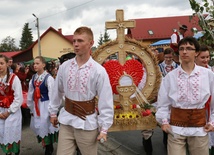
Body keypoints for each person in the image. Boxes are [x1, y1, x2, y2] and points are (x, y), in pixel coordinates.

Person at [48, 26, 114, 155]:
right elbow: (57, 91)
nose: (76, 44)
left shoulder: (98, 70)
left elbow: (105, 99)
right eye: (74, 41)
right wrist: (53, 113)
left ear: (91, 43)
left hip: (87, 123)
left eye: (80, 41)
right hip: (66, 121)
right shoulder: (65, 67)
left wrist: (104, 128)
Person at [156, 36, 214, 155]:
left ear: (196, 52)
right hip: (176, 128)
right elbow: (162, 103)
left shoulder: (208, 75)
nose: (184, 51)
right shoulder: (170, 77)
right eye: (181, 49)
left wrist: (212, 122)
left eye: (188, 48)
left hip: (199, 128)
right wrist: (164, 121)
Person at [27, 56, 59, 155]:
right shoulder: (34, 78)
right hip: (37, 105)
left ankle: (49, 147)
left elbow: (52, 95)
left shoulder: (48, 78)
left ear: (44, 65)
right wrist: (31, 107)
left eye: (37, 63)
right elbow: (30, 94)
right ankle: (46, 145)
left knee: (47, 125)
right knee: (40, 126)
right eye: (34, 64)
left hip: (46, 104)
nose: (35, 65)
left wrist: (52, 111)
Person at [0, 55, 23, 155]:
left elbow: (19, 98)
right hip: (0, 111)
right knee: (3, 135)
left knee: (12, 136)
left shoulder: (14, 78)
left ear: (7, 64)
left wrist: (8, 111)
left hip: (12, 112)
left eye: (1, 63)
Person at [158, 47, 179, 149]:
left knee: (175, 120)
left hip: (176, 96)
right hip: (164, 95)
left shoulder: (178, 67)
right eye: (166, 57)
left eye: (170, 57)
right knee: (165, 117)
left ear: (173, 56)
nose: (168, 60)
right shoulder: (158, 68)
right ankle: (166, 141)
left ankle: (174, 141)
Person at [195, 44, 214, 155]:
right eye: (203, 57)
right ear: (196, 57)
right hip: (197, 113)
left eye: (207, 57)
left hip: (210, 109)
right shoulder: (191, 73)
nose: (206, 60)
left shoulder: (211, 72)